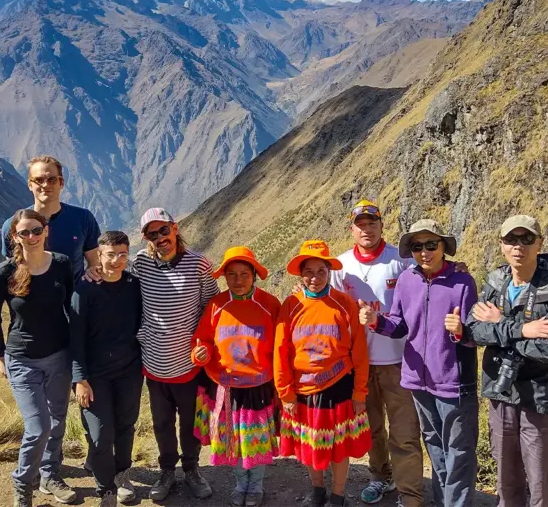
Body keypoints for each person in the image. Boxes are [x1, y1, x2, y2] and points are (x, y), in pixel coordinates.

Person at [445, 215, 548, 507]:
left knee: (543, 484)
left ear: (540, 243)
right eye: (512, 240)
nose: (519, 246)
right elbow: (475, 330)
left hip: (541, 397)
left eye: (527, 239)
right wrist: (522, 329)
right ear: (501, 244)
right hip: (500, 393)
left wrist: (500, 323)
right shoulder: (494, 281)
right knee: (507, 481)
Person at [360, 219, 478, 507]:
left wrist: (463, 330)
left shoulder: (463, 281)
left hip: (453, 381)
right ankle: (443, 502)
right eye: (417, 246)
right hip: (418, 381)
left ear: (443, 246)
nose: (424, 251)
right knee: (435, 449)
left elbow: (476, 333)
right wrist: (377, 323)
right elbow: (400, 325)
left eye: (431, 244)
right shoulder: (407, 280)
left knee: (459, 453)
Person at [329, 200, 424, 507]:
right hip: (359, 365)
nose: (366, 229)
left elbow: (427, 286)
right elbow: (328, 306)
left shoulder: (402, 260)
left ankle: (410, 493)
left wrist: (456, 268)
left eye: (372, 223)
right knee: (371, 428)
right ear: (351, 229)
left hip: (400, 361)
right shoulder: (341, 266)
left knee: (404, 431)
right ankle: (380, 477)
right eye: (360, 224)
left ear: (382, 225)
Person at [0, 209, 77, 507]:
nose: (32, 237)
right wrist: (0, 356)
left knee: (58, 419)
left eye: (36, 230)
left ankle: (50, 474)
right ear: (14, 236)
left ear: (46, 231)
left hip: (59, 356)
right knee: (38, 427)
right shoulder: (5, 272)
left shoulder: (62, 265)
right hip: (22, 359)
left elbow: (73, 309)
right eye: (24, 232)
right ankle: (23, 483)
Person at [130, 207, 219, 501]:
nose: (160, 238)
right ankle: (167, 470)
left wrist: (205, 346)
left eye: (163, 230)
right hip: (154, 365)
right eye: (151, 234)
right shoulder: (140, 263)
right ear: (145, 238)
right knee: (161, 423)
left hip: (189, 365)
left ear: (175, 228)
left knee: (190, 423)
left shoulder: (199, 265)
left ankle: (192, 469)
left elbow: (211, 308)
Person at [275, 240, 371, 507]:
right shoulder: (292, 305)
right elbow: (281, 352)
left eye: (320, 271)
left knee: (339, 446)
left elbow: (359, 352)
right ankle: (317, 490)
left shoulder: (344, 304)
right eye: (309, 271)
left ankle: (338, 494)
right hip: (303, 390)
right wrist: (286, 393)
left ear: (329, 272)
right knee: (310, 443)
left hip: (339, 386)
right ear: (301, 274)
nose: (314, 277)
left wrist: (360, 391)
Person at [190, 246, 282, 507]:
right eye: (232, 275)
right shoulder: (217, 306)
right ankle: (241, 484)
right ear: (225, 277)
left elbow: (281, 344)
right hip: (227, 386)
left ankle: (256, 486)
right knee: (235, 440)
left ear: (254, 274)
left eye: (244, 274)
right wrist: (201, 353)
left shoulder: (269, 305)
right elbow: (203, 339)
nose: (238, 280)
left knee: (256, 440)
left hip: (259, 385)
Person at [69, 231, 144, 507]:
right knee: (101, 434)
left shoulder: (134, 285)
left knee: (126, 426)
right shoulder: (84, 290)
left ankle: (122, 475)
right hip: (94, 375)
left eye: (122, 254)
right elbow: (74, 338)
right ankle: (105, 488)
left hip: (129, 371)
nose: (116, 260)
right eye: (110, 254)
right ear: (98, 256)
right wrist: (79, 379)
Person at [0, 155, 102, 282]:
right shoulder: (12, 225)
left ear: (61, 183)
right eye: (39, 180)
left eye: (52, 179)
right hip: (31, 299)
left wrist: (92, 273)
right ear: (30, 185)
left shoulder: (83, 218)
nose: (45, 184)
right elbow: (12, 270)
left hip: (74, 299)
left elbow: (95, 261)